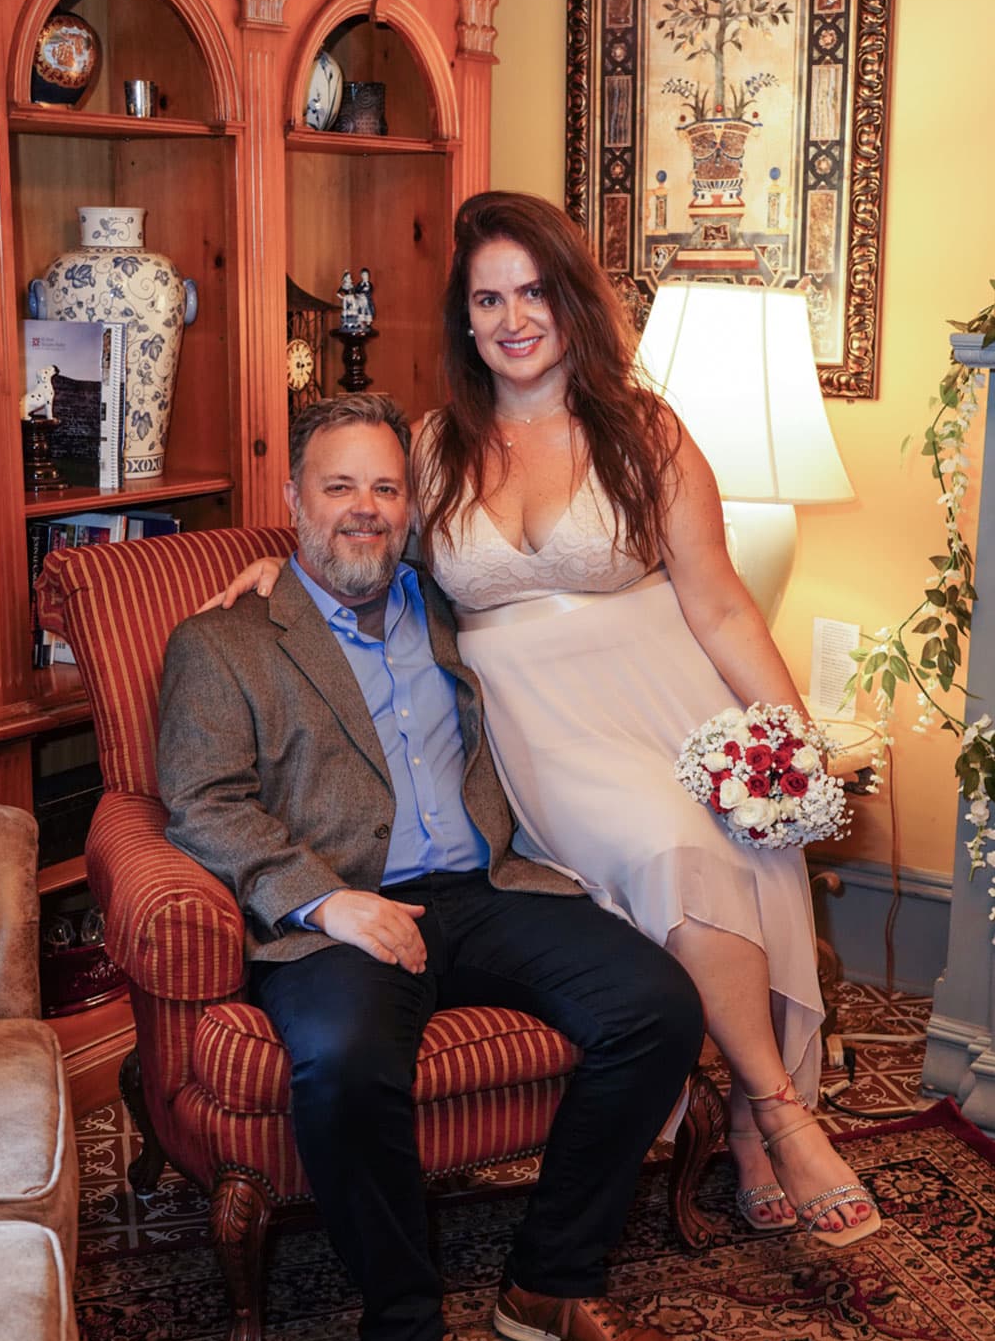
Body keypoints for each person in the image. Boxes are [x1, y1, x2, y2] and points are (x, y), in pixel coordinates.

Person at [218, 193, 881, 1249]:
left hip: (663, 694)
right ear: (465, 320)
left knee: (713, 850)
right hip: (532, 727)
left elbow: (716, 600)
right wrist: (274, 570)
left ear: (571, 300)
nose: (512, 317)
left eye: (532, 290)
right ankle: (780, 1111)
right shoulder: (434, 447)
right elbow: (360, 547)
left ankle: (760, 1118)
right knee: (666, 848)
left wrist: (786, 738)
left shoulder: (646, 432)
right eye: (487, 298)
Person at [158, 392, 704, 1341]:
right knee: (343, 1059)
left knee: (656, 1006)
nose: (362, 508)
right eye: (337, 487)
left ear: (412, 506)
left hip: (482, 887)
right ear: (293, 497)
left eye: (384, 487)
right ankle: (402, 1331)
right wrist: (327, 901)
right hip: (339, 911)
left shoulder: (449, 600)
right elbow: (202, 802)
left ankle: (550, 1281)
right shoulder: (224, 640)